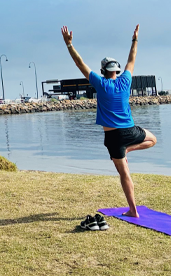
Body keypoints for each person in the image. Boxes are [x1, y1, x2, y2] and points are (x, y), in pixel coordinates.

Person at [62, 24, 157, 217]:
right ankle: (128, 150)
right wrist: (135, 39)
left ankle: (133, 210)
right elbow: (132, 58)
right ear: (117, 70)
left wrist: (69, 45)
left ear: (103, 71)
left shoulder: (100, 83)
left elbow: (80, 64)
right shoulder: (125, 80)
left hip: (113, 137)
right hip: (130, 131)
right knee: (153, 140)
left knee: (124, 174)